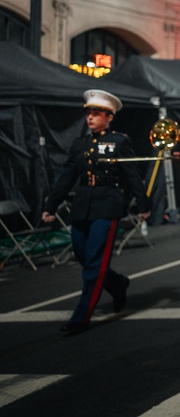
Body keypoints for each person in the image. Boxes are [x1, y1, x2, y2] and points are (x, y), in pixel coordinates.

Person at [42, 90, 149, 335]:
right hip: (82, 205)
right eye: (88, 113)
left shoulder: (119, 142)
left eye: (96, 113)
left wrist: (142, 204)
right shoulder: (80, 144)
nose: (90, 118)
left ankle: (81, 317)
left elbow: (131, 174)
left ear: (109, 117)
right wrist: (51, 204)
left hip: (107, 205)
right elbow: (67, 177)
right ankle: (118, 283)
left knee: (95, 264)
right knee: (83, 256)